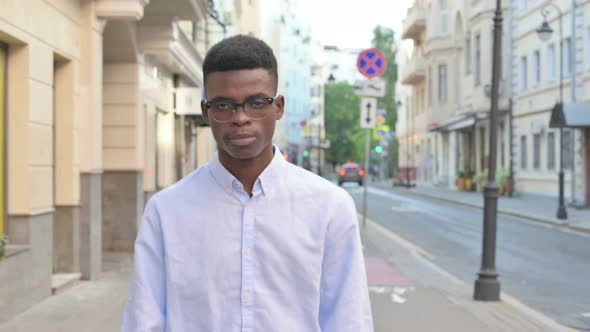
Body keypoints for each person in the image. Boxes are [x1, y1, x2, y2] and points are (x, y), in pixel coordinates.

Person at [121, 35, 373, 332]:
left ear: (278, 107)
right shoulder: (166, 211)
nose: (240, 118)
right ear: (206, 112)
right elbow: (144, 319)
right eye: (224, 105)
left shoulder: (329, 206)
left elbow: (348, 318)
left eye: (256, 103)